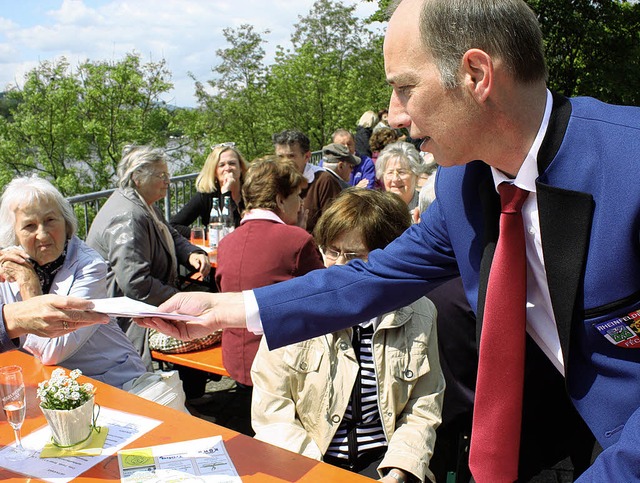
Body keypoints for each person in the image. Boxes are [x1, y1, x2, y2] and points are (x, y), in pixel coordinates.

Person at [140, 0, 640, 481]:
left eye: (404, 88)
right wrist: (225, 309)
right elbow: (374, 277)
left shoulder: (631, 164)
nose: (393, 115)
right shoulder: (465, 186)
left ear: (476, 75)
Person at [251, 188, 444, 482]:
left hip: (384, 462)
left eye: (355, 255)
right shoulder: (293, 308)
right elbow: (271, 409)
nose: (339, 266)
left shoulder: (419, 313)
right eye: (332, 250)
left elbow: (423, 406)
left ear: (388, 258)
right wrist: (318, 474)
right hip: (308, 461)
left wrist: (399, 470)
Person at [0, 176, 147, 389]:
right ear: (14, 234)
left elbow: (52, 349)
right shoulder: (9, 264)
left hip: (112, 382)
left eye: (50, 220)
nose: (42, 234)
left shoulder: (89, 265)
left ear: (66, 222)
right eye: (30, 226)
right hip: (49, 385)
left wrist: (28, 282)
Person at [87, 145, 210, 372]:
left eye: (168, 175)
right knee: (210, 325)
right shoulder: (128, 217)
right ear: (137, 177)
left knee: (208, 312)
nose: (168, 181)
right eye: (161, 175)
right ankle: (191, 394)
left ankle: (193, 393)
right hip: (131, 320)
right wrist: (182, 300)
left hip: (146, 309)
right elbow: (136, 284)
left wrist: (191, 253)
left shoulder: (141, 203)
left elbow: (170, 233)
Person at [215, 156, 324, 391]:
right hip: (279, 365)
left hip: (236, 360)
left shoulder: (226, 243)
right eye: (297, 195)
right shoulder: (297, 240)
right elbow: (323, 299)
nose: (302, 203)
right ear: (280, 200)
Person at [170, 143, 248, 239]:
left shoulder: (251, 191)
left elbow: (236, 230)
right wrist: (205, 235)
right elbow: (173, 225)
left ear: (240, 168)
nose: (227, 168)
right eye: (221, 165)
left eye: (232, 163)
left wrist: (226, 193)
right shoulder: (206, 195)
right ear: (214, 171)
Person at [273, 130, 342, 234]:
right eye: (280, 157)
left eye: (291, 156)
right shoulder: (271, 182)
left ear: (306, 157)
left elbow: (334, 226)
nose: (285, 163)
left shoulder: (323, 181)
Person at [0, 294, 108, 353]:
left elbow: (50, 350)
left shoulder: (89, 263)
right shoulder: (9, 263)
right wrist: (12, 318)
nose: (44, 251)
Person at [375, 142, 423, 223]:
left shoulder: (426, 207)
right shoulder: (376, 210)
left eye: (401, 172)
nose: (395, 179)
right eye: (390, 172)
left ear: (416, 175)